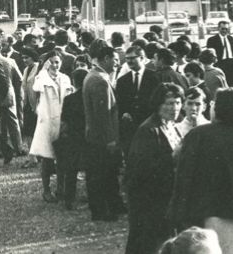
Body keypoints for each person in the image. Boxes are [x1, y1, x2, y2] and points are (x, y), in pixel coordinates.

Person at [169, 88, 233, 254]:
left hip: (206, 215)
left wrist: (179, 213)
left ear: (217, 108)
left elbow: (184, 177)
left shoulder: (198, 134)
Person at [125, 83, 186, 254]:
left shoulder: (172, 126)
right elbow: (140, 169)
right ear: (158, 104)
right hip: (150, 202)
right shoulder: (149, 130)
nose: (174, 108)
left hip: (166, 199)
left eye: (177, 102)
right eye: (168, 103)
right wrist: (172, 158)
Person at [82, 40, 125, 222]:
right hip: (101, 138)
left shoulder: (93, 75)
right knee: (102, 175)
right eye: (115, 60)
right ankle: (101, 211)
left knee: (102, 174)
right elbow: (103, 113)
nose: (117, 63)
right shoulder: (100, 80)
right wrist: (110, 140)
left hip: (95, 136)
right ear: (105, 58)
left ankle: (110, 205)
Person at [29, 50, 74, 202]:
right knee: (47, 158)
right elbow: (35, 90)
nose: (55, 65)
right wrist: (38, 112)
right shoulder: (41, 78)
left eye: (57, 62)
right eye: (52, 62)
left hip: (62, 121)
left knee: (62, 157)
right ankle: (46, 190)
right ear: (47, 63)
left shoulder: (65, 78)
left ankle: (60, 189)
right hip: (47, 121)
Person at [116, 45, 160, 155]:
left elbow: (157, 101)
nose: (129, 61)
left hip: (148, 124)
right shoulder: (122, 81)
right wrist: (125, 113)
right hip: (130, 128)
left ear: (142, 58)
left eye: (132, 58)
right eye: (127, 58)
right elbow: (119, 102)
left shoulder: (154, 77)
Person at [56, 68, 90, 210]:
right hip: (88, 136)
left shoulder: (69, 99)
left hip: (73, 137)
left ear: (74, 82)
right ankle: (90, 196)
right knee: (90, 168)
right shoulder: (89, 97)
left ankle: (69, 199)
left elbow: (64, 121)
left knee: (71, 169)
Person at [0, 38, 25, 164]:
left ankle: (1, 149)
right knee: (12, 121)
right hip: (9, 94)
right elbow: (20, 78)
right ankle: (18, 147)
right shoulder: (10, 61)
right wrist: (15, 91)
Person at [206, 21, 233, 86]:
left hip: (231, 65)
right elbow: (210, 54)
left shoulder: (231, 38)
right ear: (218, 28)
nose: (224, 31)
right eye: (222, 29)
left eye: (226, 29)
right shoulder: (212, 40)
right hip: (220, 65)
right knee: (221, 85)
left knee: (231, 85)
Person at [20, 48, 41, 148]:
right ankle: (32, 154)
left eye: (26, 57)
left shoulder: (38, 68)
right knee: (28, 129)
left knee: (37, 129)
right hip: (27, 102)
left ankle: (39, 153)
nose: (24, 60)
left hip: (37, 103)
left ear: (32, 57)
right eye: (23, 58)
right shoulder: (26, 69)